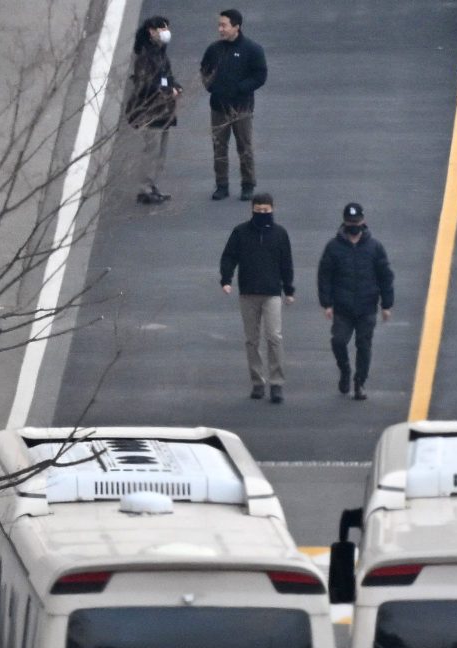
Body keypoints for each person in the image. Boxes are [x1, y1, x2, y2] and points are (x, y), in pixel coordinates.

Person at [220, 193, 295, 403]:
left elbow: (286, 263)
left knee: (274, 337)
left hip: (272, 293)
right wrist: (226, 279)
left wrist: (289, 290)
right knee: (252, 340)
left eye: (266, 210)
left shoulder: (280, 234)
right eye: (259, 210)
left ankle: (277, 382)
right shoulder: (241, 232)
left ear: (272, 209)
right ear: (252, 209)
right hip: (248, 293)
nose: (262, 213)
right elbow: (229, 256)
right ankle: (257, 382)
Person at [317, 203, 394, 400]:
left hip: (367, 306)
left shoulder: (374, 247)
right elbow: (324, 276)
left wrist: (386, 304)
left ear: (363, 222)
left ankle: (360, 382)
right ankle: (345, 370)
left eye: (357, 222)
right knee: (339, 341)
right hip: (342, 308)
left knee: (364, 344)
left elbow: (385, 276)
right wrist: (327, 303)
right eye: (350, 222)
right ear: (344, 222)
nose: (354, 225)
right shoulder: (333, 248)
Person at [199, 9, 267, 202]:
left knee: (244, 146)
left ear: (236, 27)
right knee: (219, 147)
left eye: (224, 25)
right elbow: (204, 70)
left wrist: (240, 88)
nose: (220, 29)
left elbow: (260, 76)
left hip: (242, 108)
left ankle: (248, 184)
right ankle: (222, 185)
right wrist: (211, 86)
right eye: (219, 25)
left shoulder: (252, 49)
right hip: (218, 107)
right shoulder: (214, 49)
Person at [125, 16, 182, 204]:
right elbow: (144, 85)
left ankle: (152, 185)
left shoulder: (160, 53)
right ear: (151, 31)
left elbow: (167, 76)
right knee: (151, 150)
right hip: (150, 111)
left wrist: (175, 86)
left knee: (159, 152)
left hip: (163, 111)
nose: (165, 32)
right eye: (161, 28)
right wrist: (166, 90)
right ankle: (145, 188)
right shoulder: (145, 56)